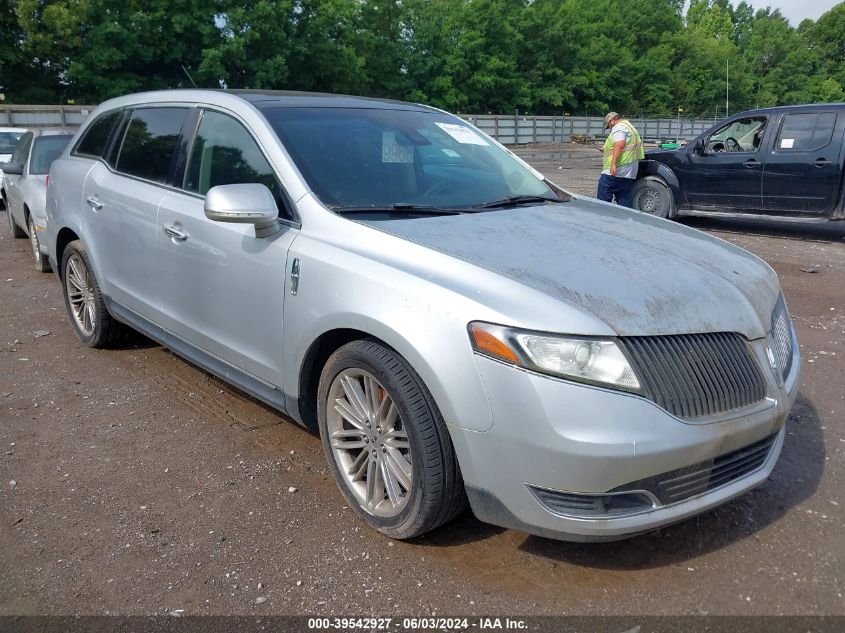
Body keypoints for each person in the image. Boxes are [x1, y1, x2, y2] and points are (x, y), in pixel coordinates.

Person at [596, 111, 644, 208]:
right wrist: (605, 149)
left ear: (612, 120)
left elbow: (620, 145)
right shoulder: (629, 126)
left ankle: (602, 216)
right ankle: (627, 219)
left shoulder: (619, 127)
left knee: (604, 190)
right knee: (623, 196)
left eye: (609, 125)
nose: (610, 128)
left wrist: (613, 164)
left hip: (618, 168)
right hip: (629, 169)